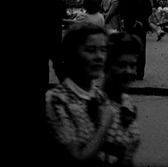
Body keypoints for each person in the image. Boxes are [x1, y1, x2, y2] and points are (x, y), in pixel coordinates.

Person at [45, 23, 119, 163]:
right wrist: (104, 126)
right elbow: (78, 157)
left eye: (103, 50)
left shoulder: (99, 96)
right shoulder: (56, 100)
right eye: (91, 50)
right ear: (71, 55)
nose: (99, 57)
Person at [101, 32, 143, 167]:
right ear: (107, 66)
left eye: (133, 65)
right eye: (122, 65)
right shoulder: (96, 103)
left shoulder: (128, 103)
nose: (129, 71)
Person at [116, 0, 153, 81]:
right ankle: (140, 73)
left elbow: (121, 11)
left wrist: (128, 21)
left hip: (129, 26)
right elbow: (148, 10)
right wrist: (141, 19)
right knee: (141, 49)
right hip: (140, 26)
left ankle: (129, 71)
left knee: (129, 49)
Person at [45, 0, 70, 88]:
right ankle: (65, 85)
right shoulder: (60, 3)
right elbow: (64, 17)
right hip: (56, 37)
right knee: (59, 64)